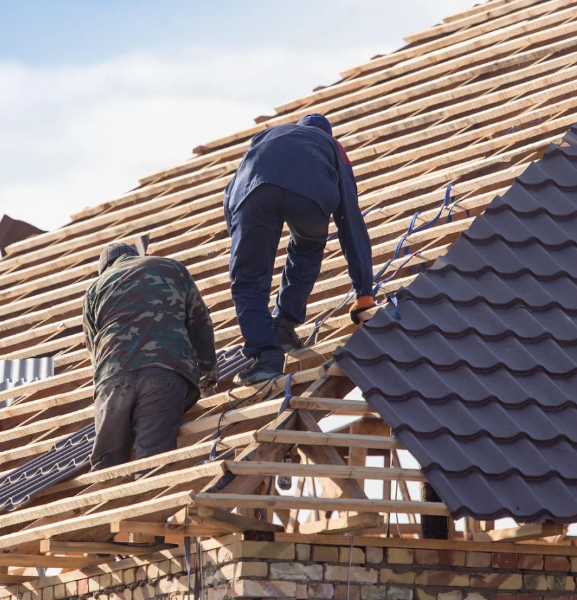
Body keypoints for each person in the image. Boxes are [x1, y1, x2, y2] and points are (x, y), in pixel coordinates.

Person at [224, 113, 374, 385]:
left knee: (248, 279)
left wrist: (243, 246)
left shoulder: (268, 135)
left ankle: (266, 357)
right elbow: (349, 219)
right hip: (310, 194)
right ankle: (283, 325)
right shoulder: (332, 146)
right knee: (307, 247)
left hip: (254, 193)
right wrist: (363, 291)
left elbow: (232, 192)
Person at [83, 242, 217, 471]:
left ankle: (108, 501)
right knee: (152, 464)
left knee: (107, 466)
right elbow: (200, 325)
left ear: (105, 267)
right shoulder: (172, 268)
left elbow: (93, 347)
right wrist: (208, 377)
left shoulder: (95, 288)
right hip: (165, 371)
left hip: (112, 379)